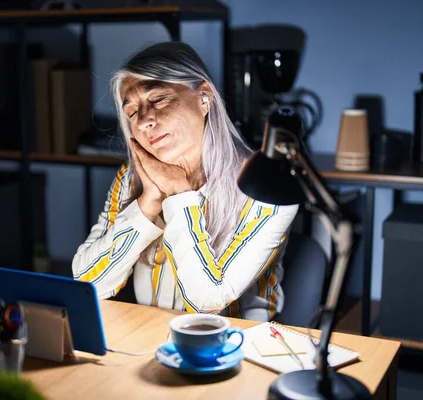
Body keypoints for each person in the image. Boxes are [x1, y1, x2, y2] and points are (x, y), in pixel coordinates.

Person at [72, 42, 298, 322]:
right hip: (153, 340)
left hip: (239, 346)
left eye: (157, 99)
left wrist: (179, 193)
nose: (143, 121)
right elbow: (86, 284)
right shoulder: (133, 177)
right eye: (132, 112)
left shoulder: (265, 186)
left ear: (204, 98)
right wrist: (149, 201)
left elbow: (206, 301)